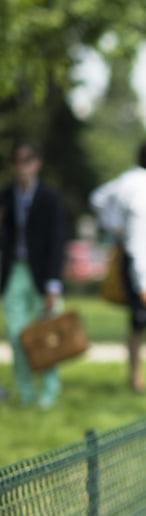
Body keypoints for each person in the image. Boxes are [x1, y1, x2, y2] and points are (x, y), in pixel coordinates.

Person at [90, 139, 146, 393]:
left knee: (142, 323)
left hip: (137, 258)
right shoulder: (144, 190)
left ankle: (144, 376)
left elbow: (97, 199)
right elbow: (139, 240)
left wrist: (114, 225)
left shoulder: (127, 180)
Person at [0, 138, 66, 408]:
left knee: (47, 336)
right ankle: (25, 392)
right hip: (14, 272)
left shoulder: (50, 198)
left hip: (42, 275)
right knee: (17, 335)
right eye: (17, 161)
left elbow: (57, 241)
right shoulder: (5, 196)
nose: (22, 167)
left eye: (27, 160)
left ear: (36, 163)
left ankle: (49, 391)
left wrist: (53, 284)